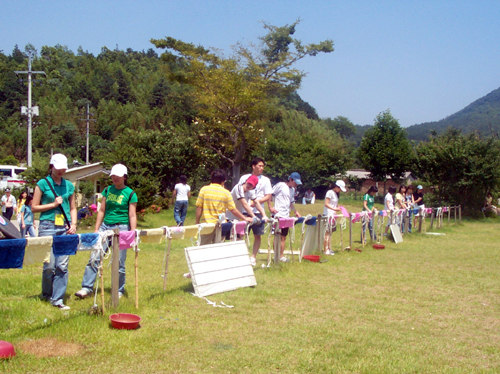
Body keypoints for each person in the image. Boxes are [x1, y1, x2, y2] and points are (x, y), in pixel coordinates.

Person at [75, 164, 137, 299]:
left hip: (122, 228)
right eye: (113, 175)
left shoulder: (131, 193)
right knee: (95, 256)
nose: (115, 178)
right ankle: (86, 287)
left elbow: (132, 215)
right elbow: (101, 210)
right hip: (105, 226)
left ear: (124, 177)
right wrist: (97, 228)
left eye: (118, 176)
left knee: (119, 261)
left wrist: (132, 233)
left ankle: (119, 290)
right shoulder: (107, 190)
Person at [32, 154, 77, 310]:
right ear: (51, 166)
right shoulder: (42, 184)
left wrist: (74, 223)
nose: (61, 171)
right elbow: (34, 207)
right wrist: (52, 204)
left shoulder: (69, 186)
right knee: (49, 265)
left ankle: (57, 299)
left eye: (64, 168)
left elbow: (72, 207)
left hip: (64, 227)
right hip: (47, 225)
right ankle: (47, 294)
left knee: (62, 266)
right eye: (59, 168)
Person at [196, 169, 252, 245]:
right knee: (219, 248)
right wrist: (245, 218)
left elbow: (199, 208)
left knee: (203, 248)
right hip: (221, 225)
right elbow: (233, 209)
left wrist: (197, 222)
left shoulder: (204, 190)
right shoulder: (226, 193)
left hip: (207, 225)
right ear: (223, 181)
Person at [238, 158, 273, 264]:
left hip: (258, 211)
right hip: (244, 211)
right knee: (241, 234)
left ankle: (253, 257)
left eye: (263, 166)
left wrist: (257, 202)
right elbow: (240, 191)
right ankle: (240, 256)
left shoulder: (266, 180)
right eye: (260, 166)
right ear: (253, 166)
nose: (261, 168)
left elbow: (268, 196)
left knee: (257, 235)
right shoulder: (244, 177)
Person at [226, 175, 268, 250]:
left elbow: (256, 203)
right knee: (224, 240)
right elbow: (244, 203)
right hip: (228, 216)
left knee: (237, 239)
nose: (249, 186)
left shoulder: (251, 191)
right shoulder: (238, 187)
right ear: (246, 181)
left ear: (254, 187)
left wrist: (264, 215)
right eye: (249, 183)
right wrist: (253, 216)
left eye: (252, 185)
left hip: (237, 218)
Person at [269, 172, 302, 262]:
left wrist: (295, 211)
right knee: (277, 236)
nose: (296, 185)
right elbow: (270, 193)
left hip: (286, 216)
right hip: (278, 215)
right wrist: (270, 207)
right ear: (290, 179)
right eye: (295, 182)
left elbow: (290, 202)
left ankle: (281, 256)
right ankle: (275, 255)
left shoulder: (293, 190)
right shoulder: (281, 185)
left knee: (284, 236)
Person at [323, 180, 346, 255]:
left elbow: (333, 204)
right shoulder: (329, 192)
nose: (340, 191)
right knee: (327, 233)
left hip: (333, 216)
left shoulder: (335, 194)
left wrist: (338, 207)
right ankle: (325, 249)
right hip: (327, 215)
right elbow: (326, 204)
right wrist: (334, 209)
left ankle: (329, 248)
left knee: (330, 233)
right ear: (336, 186)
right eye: (340, 189)